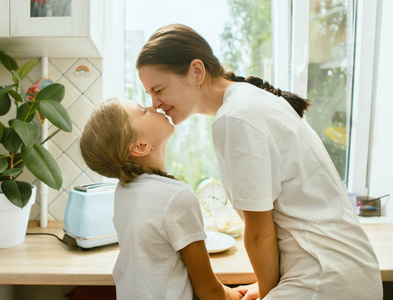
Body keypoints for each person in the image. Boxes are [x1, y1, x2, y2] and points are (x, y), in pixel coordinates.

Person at [136, 24, 383, 299]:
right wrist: (267, 286)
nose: (155, 104)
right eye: (149, 95)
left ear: (196, 71)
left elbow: (259, 233)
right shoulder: (246, 102)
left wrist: (267, 292)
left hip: (325, 279)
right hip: (339, 270)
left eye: (159, 89)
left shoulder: (236, 117)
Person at [79, 97, 243, 300]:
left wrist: (231, 293)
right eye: (143, 111)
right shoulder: (175, 196)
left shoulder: (125, 190)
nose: (153, 106)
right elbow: (207, 289)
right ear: (140, 145)